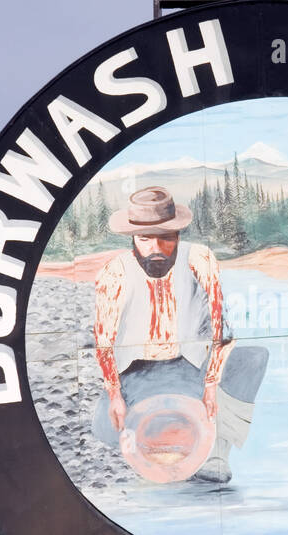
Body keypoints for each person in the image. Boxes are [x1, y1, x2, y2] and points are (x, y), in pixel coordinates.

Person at [91, 185, 268, 484]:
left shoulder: (199, 259)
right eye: (145, 239)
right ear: (134, 238)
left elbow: (220, 329)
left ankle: (217, 452)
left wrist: (211, 386)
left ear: (178, 235)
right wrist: (115, 394)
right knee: (104, 426)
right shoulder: (115, 272)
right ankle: (156, 447)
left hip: (192, 366)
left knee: (253, 359)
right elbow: (104, 342)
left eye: (166, 238)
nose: (155, 249)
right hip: (137, 373)